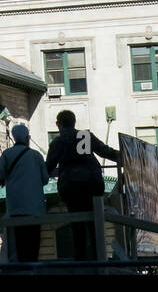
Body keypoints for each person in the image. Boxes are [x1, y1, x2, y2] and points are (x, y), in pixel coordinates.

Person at [46, 109, 121, 261]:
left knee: (77, 224)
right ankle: (97, 256)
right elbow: (105, 151)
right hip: (92, 184)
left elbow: (48, 167)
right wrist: (124, 157)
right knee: (94, 222)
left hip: (71, 188)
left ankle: (80, 259)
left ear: (58, 124)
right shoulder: (84, 136)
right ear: (74, 122)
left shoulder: (58, 142)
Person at [0, 123, 49, 264]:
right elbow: (45, 179)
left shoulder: (7, 154)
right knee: (34, 245)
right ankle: (33, 269)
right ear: (28, 138)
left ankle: (23, 270)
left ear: (13, 138)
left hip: (16, 207)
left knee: (20, 244)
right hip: (36, 208)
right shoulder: (36, 155)